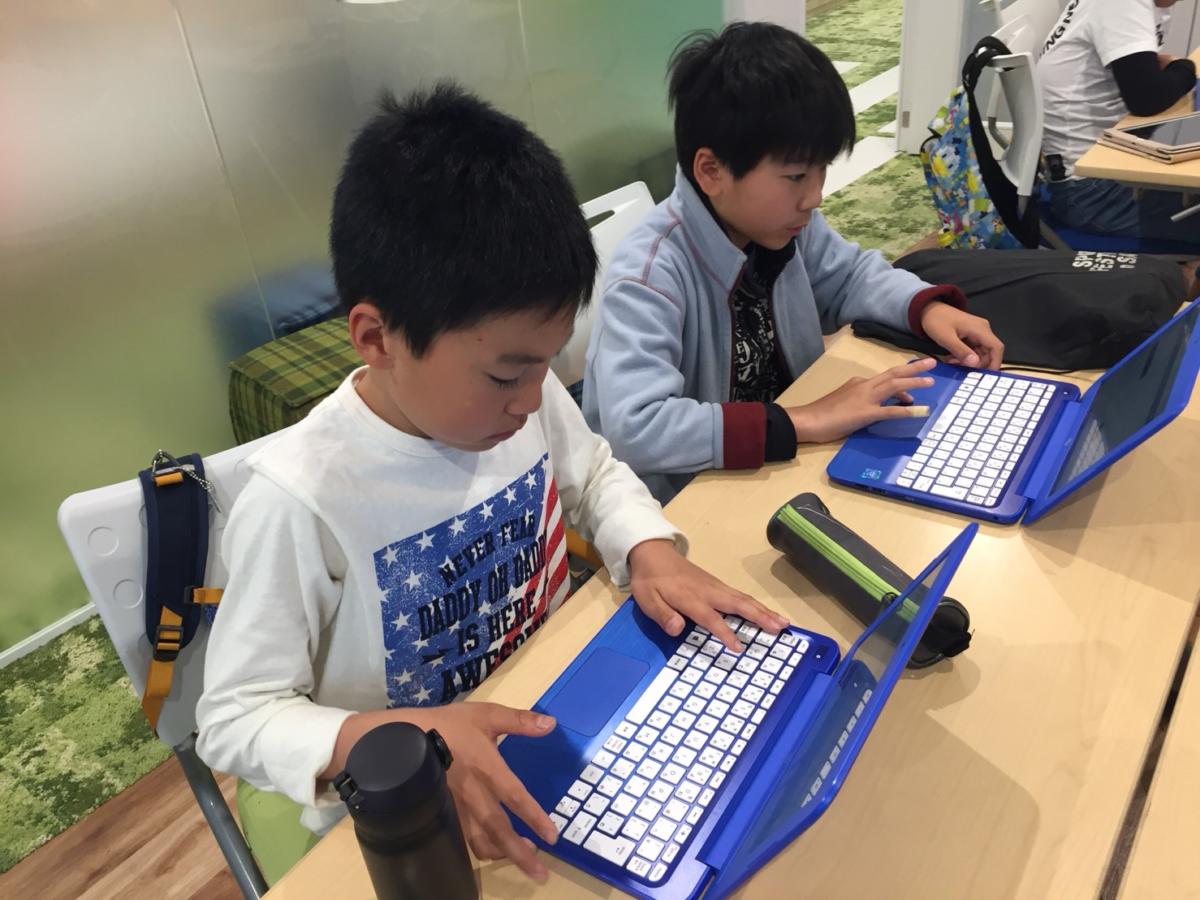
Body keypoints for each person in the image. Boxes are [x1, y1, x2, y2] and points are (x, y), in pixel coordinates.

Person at [195, 83, 789, 885]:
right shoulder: (301, 500)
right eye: (507, 373)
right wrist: (402, 741)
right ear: (376, 337)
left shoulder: (522, 399)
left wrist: (648, 548)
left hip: (550, 708)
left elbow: (594, 475)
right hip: (413, 808)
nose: (534, 397)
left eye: (547, 363)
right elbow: (234, 718)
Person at [582, 22, 1004, 504]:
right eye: (797, 176)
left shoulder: (780, 225)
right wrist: (807, 419)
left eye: (822, 170)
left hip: (784, 461)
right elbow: (635, 426)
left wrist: (926, 308)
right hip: (690, 500)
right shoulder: (652, 272)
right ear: (711, 171)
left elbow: (849, 277)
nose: (815, 196)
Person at [1038, 0, 1199, 245]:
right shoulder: (1122, 3)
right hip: (1093, 193)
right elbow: (1147, 98)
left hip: (1098, 171)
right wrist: (1185, 69)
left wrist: (1170, 74)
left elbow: (1148, 81)